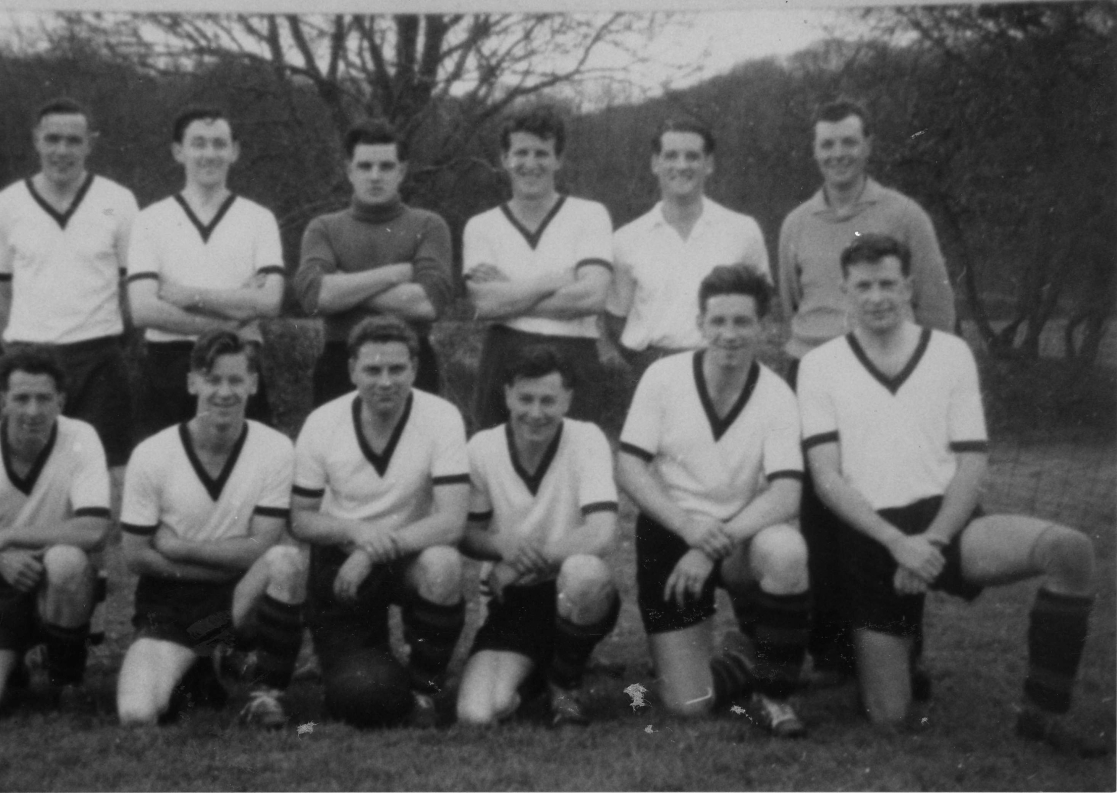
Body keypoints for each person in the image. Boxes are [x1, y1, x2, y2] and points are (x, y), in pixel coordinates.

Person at [798, 234, 1104, 755]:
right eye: (863, 286)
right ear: (845, 292)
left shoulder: (950, 353)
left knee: (1070, 550)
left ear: (908, 287)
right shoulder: (819, 365)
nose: (877, 297)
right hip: (872, 538)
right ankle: (897, 648)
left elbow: (971, 462)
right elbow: (826, 477)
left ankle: (1043, 712)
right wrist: (898, 543)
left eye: (887, 284)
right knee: (889, 717)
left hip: (948, 524)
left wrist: (934, 540)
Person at [778, 98, 956, 685]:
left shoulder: (904, 214)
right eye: (827, 144)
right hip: (813, 375)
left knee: (891, 504)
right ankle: (833, 653)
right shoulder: (797, 222)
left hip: (885, 379)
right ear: (814, 151)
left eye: (848, 142)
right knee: (823, 514)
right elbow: (792, 303)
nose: (838, 154)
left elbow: (937, 308)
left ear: (868, 145)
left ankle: (901, 647)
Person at [616, 265, 811, 737]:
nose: (729, 334)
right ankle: (742, 657)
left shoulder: (778, 395)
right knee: (689, 704)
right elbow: (629, 467)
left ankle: (774, 692)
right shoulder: (663, 377)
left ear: (762, 326)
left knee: (786, 551)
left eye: (742, 321)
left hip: (738, 538)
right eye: (718, 321)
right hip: (671, 533)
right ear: (700, 323)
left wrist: (708, 547)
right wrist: (688, 529)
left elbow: (787, 494)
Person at [116, 331, 304, 729]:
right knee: (137, 714)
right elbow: (135, 556)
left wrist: (178, 547)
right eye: (212, 379)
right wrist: (217, 566)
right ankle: (205, 664)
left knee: (284, 561)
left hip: (237, 600)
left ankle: (266, 695)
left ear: (252, 384)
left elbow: (262, 546)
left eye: (236, 380)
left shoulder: (275, 448)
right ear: (192, 382)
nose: (224, 392)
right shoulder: (152, 454)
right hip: (170, 605)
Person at [291, 315, 471, 725]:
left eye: (396, 369)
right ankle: (369, 669)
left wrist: (372, 551)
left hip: (407, 556)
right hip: (343, 564)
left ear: (415, 368)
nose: (385, 381)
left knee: (443, 564)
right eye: (372, 370)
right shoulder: (323, 422)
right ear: (352, 369)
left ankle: (426, 688)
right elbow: (300, 520)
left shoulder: (441, 416)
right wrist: (356, 532)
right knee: (367, 698)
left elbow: (452, 521)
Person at [0, 346, 111, 717]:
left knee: (66, 560)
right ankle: (12, 659)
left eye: (44, 398)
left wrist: (7, 537)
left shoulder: (81, 437)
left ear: (61, 401)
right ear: (2, 401)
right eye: (21, 398)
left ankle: (66, 679)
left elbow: (95, 530)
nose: (33, 410)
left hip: (55, 581)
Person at [456, 346, 621, 728]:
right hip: (512, 600)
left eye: (548, 400)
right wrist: (500, 546)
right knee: (477, 714)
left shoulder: (587, 438)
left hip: (568, 590)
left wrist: (519, 565)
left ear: (567, 400)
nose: (535, 412)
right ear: (507, 396)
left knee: (585, 572)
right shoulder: (482, 447)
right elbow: (467, 535)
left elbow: (601, 532)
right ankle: (540, 670)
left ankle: (565, 683)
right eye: (525, 398)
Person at [0, 97, 140, 466]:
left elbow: (133, 287)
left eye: (73, 141)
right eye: (52, 139)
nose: (62, 150)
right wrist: (20, 356)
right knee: (29, 467)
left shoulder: (119, 200)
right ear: (36, 140)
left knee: (99, 469)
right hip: (30, 359)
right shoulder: (8, 203)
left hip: (100, 361)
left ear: (90, 144)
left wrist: (108, 337)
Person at [126, 106, 284, 441]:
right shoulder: (150, 219)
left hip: (237, 364)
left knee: (245, 465)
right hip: (168, 366)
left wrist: (190, 296)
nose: (209, 154)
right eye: (198, 143)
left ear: (234, 151)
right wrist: (233, 317)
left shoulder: (259, 218)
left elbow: (270, 301)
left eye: (219, 144)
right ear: (178, 151)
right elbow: (143, 310)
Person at [463, 107, 613, 430]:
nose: (530, 163)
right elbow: (486, 304)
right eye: (521, 153)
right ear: (505, 158)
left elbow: (592, 297)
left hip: (574, 355)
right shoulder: (481, 225)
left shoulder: (590, 215)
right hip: (504, 354)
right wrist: (553, 280)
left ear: (558, 160)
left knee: (575, 456)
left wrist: (511, 291)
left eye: (542, 153)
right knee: (495, 455)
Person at [294, 119, 453, 410]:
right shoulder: (323, 228)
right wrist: (394, 274)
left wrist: (346, 284)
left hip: (411, 360)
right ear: (349, 171)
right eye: (365, 166)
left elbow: (428, 303)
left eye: (386, 166)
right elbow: (315, 297)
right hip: (340, 361)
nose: (375, 176)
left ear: (401, 171)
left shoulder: (429, 225)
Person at [607, 121, 771, 378]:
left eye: (692, 156)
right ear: (655, 163)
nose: (682, 165)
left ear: (709, 164)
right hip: (649, 368)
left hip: (723, 366)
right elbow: (616, 317)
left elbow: (761, 305)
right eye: (671, 156)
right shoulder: (626, 239)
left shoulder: (743, 230)